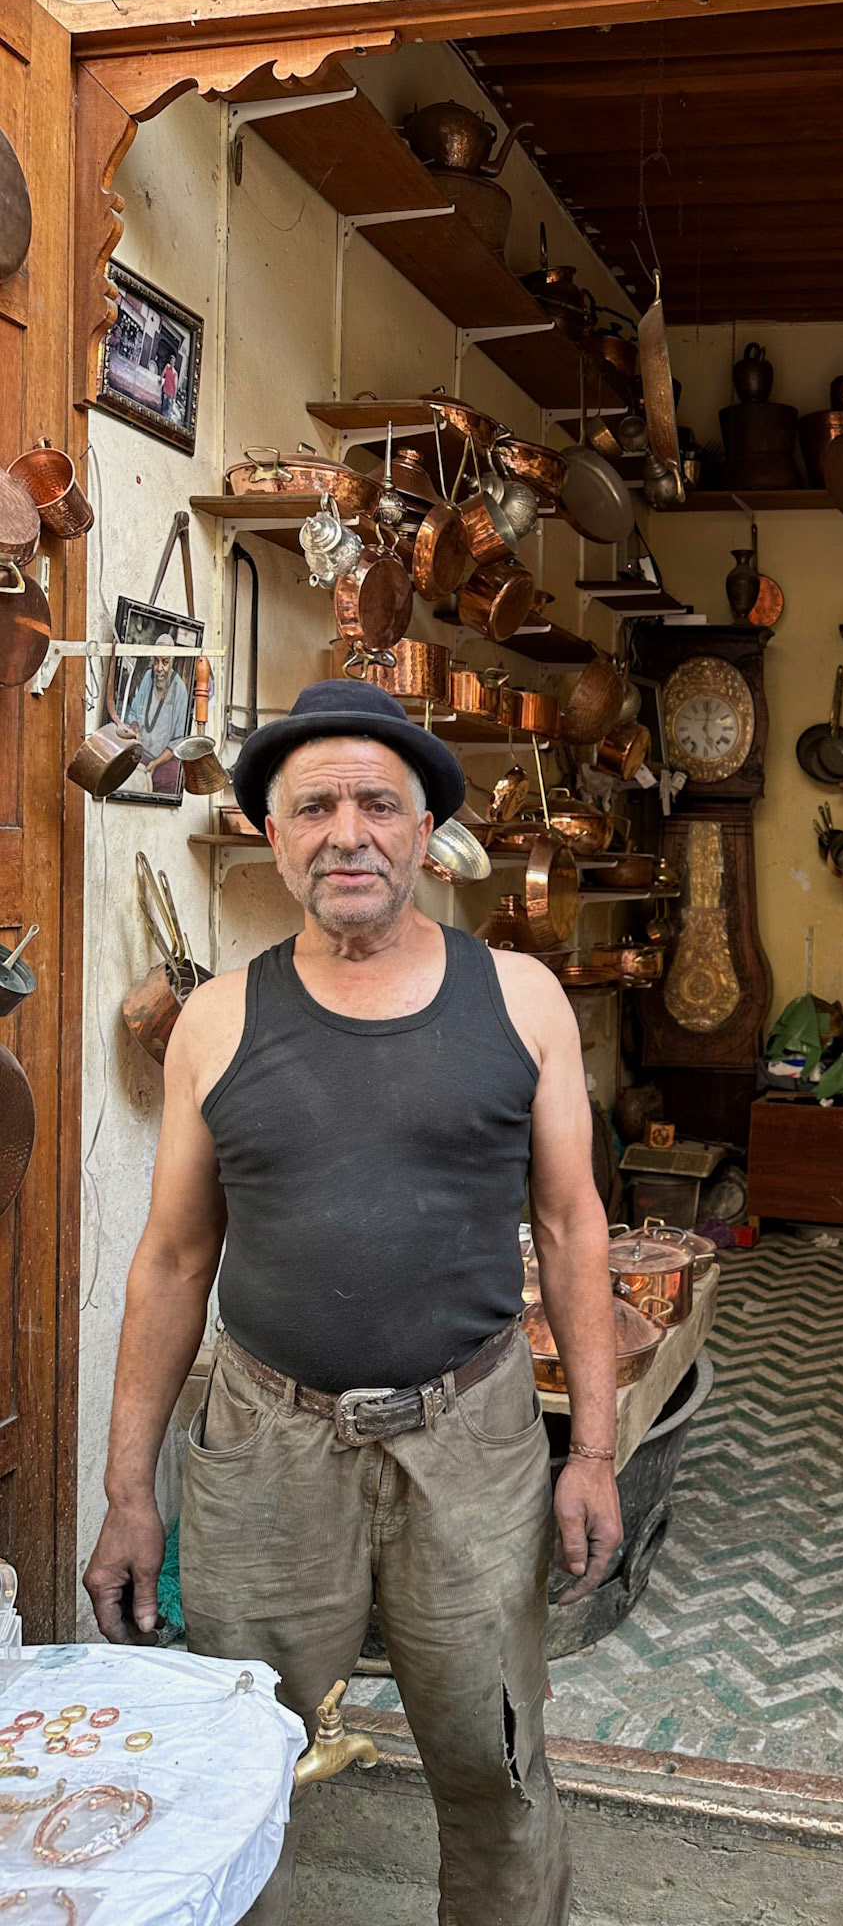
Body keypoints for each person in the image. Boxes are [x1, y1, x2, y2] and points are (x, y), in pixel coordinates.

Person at [83, 680, 622, 1924]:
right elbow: (169, 1261)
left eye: (380, 803)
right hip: (265, 1444)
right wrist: (126, 1492)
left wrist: (589, 1447)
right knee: (233, 1767)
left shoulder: (521, 999)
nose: (349, 832)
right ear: (273, 836)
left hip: (476, 1439)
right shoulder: (215, 1022)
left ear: (427, 830)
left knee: (496, 1769)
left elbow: (573, 1220)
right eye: (313, 806)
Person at [121, 632, 189, 795]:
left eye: (165, 662)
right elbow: (134, 713)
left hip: (164, 762)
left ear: (173, 662)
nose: (159, 668)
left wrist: (156, 763)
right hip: (141, 754)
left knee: (172, 782)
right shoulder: (147, 677)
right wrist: (135, 729)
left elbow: (178, 741)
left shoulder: (180, 690)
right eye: (156, 661)